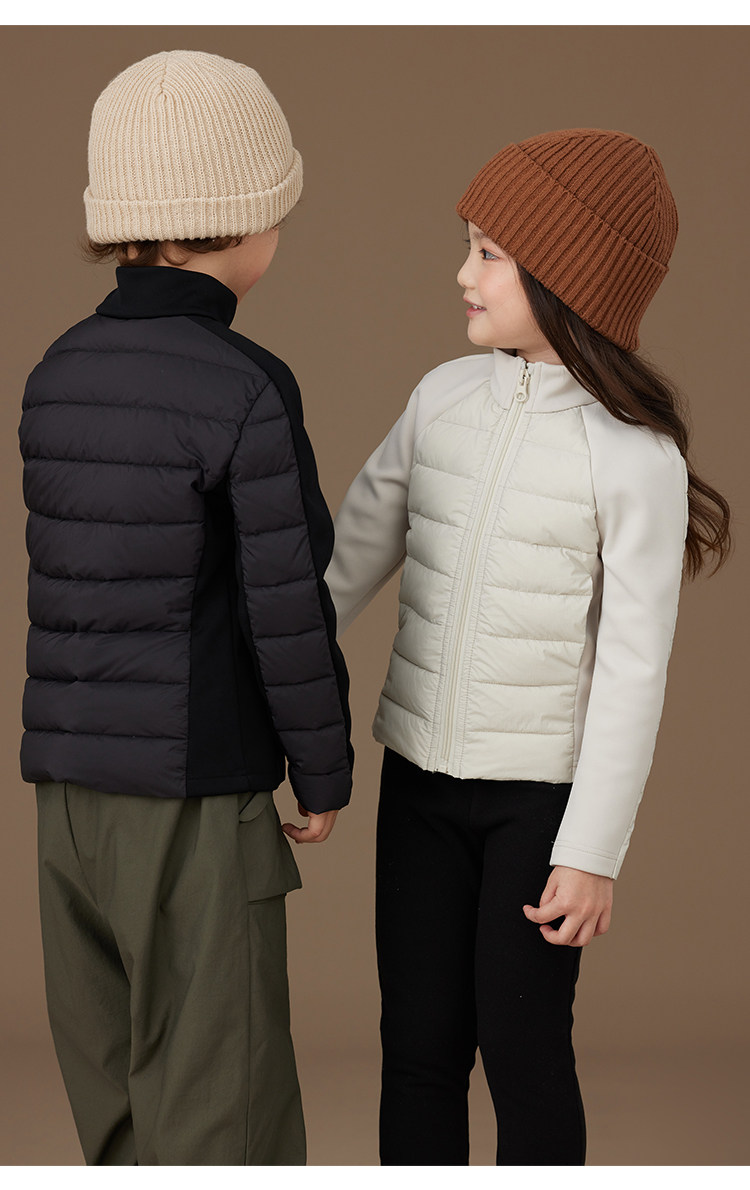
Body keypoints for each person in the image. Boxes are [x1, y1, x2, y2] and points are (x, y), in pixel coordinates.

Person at [324, 127, 732, 1166]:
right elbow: (346, 560)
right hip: (419, 783)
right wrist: (267, 681)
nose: (463, 274)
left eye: (489, 253)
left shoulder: (633, 456)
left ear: (568, 276)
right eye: (469, 246)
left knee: (522, 1049)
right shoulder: (440, 399)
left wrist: (592, 851)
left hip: (539, 808)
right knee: (418, 1048)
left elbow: (634, 668)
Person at [18, 50, 353, 1166]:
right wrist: (322, 768)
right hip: (194, 799)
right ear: (245, 219)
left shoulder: (57, 371)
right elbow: (283, 603)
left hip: (68, 801)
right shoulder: (246, 385)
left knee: (117, 1115)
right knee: (223, 1121)